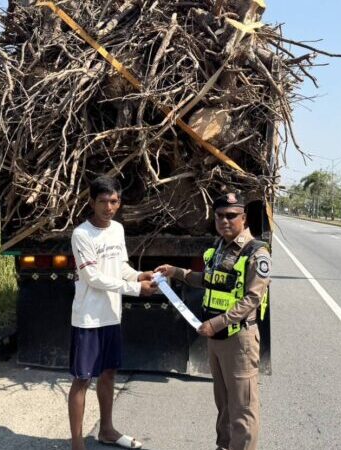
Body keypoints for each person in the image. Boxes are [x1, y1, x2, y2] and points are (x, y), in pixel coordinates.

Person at [156, 191, 271, 450]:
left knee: (243, 408)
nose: (225, 221)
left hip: (238, 338)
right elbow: (208, 280)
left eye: (231, 216)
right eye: (220, 216)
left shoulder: (256, 252)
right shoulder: (219, 246)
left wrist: (216, 323)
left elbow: (252, 299)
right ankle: (224, 445)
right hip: (216, 339)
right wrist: (178, 272)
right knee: (224, 403)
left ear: (243, 218)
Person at [68, 176, 156, 450]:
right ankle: (77, 443)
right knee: (82, 379)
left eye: (114, 201)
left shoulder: (117, 229)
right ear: (92, 202)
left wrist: (140, 274)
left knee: (108, 374)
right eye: (103, 201)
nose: (109, 207)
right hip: (88, 318)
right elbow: (92, 277)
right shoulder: (82, 234)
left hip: (111, 316)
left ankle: (107, 430)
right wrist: (134, 288)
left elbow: (120, 266)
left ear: (119, 202)